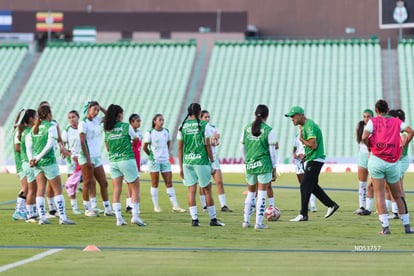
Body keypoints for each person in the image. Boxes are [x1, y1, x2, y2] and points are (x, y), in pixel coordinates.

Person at [362, 99, 414, 234]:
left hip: (376, 161)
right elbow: (411, 131)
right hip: (392, 162)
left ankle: (385, 228)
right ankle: (407, 227)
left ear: (376, 110)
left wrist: (369, 145)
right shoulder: (397, 122)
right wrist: (404, 144)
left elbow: (364, 136)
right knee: (397, 195)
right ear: (388, 108)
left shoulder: (373, 121)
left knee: (379, 194)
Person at [285, 106, 339, 222]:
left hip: (315, 159)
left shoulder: (308, 125)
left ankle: (303, 214)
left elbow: (313, 145)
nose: (292, 119)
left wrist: (301, 140)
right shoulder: (307, 125)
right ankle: (331, 205)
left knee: (305, 185)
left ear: (300, 115)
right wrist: (306, 156)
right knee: (312, 186)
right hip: (313, 159)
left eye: (293, 116)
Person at [26, 105, 75, 225]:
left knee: (40, 190)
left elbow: (28, 147)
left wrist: (31, 159)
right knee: (58, 190)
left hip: (37, 164)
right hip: (48, 162)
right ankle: (63, 218)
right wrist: (37, 158)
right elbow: (49, 145)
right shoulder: (51, 126)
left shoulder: (33, 129)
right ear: (48, 115)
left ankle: (42, 218)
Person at [177, 103, 224, 227]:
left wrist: (181, 166)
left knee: (191, 191)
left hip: (188, 162)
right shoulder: (204, 125)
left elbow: (180, 148)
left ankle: (194, 220)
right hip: (201, 161)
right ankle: (213, 219)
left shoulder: (182, 125)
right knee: (207, 190)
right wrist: (212, 162)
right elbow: (207, 145)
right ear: (199, 112)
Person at [104, 104, 146, 226]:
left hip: (113, 161)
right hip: (127, 159)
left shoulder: (107, 129)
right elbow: (136, 140)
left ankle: (119, 219)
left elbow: (107, 147)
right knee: (135, 188)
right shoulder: (126, 126)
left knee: (117, 190)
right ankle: (135, 217)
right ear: (119, 115)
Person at [241, 105, 277, 229]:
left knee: (250, 194)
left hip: (250, 164)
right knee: (261, 194)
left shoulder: (246, 128)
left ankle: (246, 221)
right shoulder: (269, 130)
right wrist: (274, 168)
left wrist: (247, 160)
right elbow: (272, 152)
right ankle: (258, 223)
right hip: (264, 165)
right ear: (267, 115)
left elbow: (242, 147)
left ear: (255, 113)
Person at [143, 114, 186, 213]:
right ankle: (156, 206)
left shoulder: (166, 132)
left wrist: (164, 154)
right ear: (155, 121)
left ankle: (175, 206)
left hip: (165, 160)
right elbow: (145, 147)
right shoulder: (150, 133)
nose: (162, 122)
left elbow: (168, 144)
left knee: (169, 183)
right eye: (160, 120)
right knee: (155, 183)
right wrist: (152, 156)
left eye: (163, 120)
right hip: (155, 161)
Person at [78, 101, 114, 217]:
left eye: (98, 110)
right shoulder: (83, 123)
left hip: (97, 157)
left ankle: (107, 209)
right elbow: (82, 142)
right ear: (89, 108)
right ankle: (88, 209)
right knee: (88, 183)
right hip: (86, 157)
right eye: (94, 109)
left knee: (103, 182)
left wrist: (100, 107)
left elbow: (110, 115)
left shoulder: (97, 120)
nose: (96, 112)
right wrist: (88, 159)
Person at [199, 110, 232, 212]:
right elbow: (202, 143)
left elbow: (216, 143)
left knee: (219, 181)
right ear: (201, 118)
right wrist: (212, 139)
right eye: (205, 117)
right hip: (203, 159)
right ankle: (204, 205)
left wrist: (214, 139)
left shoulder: (213, 128)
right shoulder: (199, 128)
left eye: (209, 117)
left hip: (213, 157)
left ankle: (223, 205)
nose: (208, 119)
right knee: (203, 183)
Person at [12, 109, 36, 221]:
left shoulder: (26, 129)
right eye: (35, 116)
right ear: (31, 118)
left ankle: (22, 210)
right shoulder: (20, 130)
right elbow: (17, 147)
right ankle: (19, 211)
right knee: (26, 187)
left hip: (24, 161)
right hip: (22, 162)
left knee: (26, 187)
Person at [61, 110, 83, 215]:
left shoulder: (83, 128)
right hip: (72, 161)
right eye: (69, 118)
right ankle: (74, 207)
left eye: (73, 117)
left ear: (78, 117)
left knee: (90, 181)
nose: (71, 119)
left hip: (83, 158)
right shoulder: (67, 131)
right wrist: (71, 156)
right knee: (72, 185)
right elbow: (63, 147)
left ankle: (91, 206)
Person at [355, 109, 374, 215]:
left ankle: (369, 208)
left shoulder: (375, 126)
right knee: (362, 183)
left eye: (369, 116)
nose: (366, 118)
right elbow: (359, 141)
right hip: (362, 156)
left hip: (373, 156)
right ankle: (362, 206)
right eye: (365, 116)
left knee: (371, 184)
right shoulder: (360, 126)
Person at [293, 132, 317, 212]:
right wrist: (294, 154)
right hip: (298, 162)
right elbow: (295, 148)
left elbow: (313, 147)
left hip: (307, 160)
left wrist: (305, 156)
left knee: (310, 183)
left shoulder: (309, 135)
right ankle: (305, 206)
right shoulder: (297, 136)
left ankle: (313, 205)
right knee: (302, 185)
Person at [125, 113, 142, 213]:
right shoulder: (128, 132)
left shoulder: (139, 133)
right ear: (132, 122)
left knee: (132, 183)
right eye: (137, 121)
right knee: (131, 183)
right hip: (130, 159)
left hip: (137, 159)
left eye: (140, 121)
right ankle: (130, 205)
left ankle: (129, 205)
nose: (139, 123)